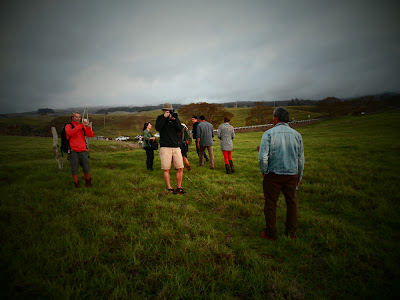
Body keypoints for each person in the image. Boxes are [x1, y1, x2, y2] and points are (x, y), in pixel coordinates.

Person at [258, 107, 304, 241]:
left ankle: (271, 233)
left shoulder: (268, 134)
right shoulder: (297, 135)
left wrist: (264, 171)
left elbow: (262, 157)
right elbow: (300, 158)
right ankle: (291, 233)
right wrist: (299, 176)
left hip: (273, 175)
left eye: (273, 117)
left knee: (271, 204)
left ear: (276, 118)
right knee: (292, 204)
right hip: (292, 175)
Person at [155, 103, 186, 194]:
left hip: (176, 146)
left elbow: (180, 129)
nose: (169, 112)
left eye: (170, 110)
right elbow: (158, 128)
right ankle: (169, 188)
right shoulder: (160, 118)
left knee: (180, 167)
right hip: (165, 147)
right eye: (167, 110)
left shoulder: (175, 118)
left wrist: (174, 120)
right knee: (166, 168)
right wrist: (165, 118)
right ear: (164, 110)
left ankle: (179, 187)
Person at [65, 112, 95, 188]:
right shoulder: (69, 126)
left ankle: (88, 183)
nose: (78, 118)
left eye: (79, 117)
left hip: (83, 150)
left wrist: (88, 127)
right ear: (72, 118)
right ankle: (76, 184)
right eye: (76, 117)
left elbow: (91, 135)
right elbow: (69, 133)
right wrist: (80, 126)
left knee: (86, 167)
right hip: (73, 150)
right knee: (74, 168)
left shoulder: (83, 126)